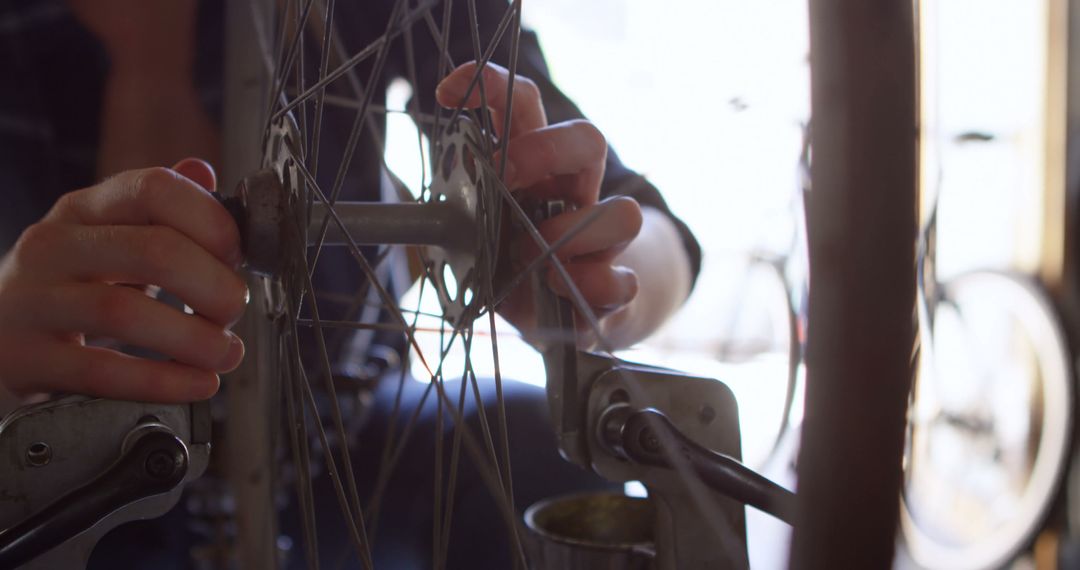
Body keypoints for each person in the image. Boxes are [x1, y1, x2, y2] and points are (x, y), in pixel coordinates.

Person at [0, 1, 702, 567]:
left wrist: (588, 277)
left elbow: (662, 239)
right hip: (58, 478)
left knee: (538, 448)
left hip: (355, 448)